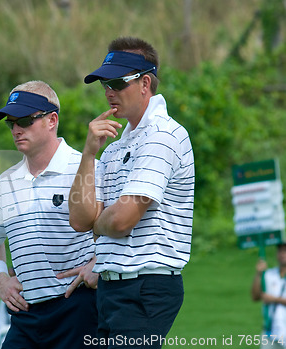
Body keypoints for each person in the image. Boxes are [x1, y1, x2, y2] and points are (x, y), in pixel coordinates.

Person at [69, 36, 195, 348]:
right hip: (112, 289)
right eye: (104, 83)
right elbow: (80, 218)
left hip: (145, 287)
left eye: (117, 82)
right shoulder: (113, 149)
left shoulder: (162, 136)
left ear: (145, 83)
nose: (109, 91)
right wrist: (88, 154)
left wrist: (100, 223)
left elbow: (122, 220)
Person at [0, 80, 99, 349]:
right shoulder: (5, 182)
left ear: (51, 120)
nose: (16, 129)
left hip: (78, 308)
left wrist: (99, 262)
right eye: (12, 122)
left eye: (25, 120)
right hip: (26, 316)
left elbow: (120, 228)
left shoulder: (87, 168)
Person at [251, 243, 286, 348]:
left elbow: (268, 298)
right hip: (270, 330)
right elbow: (255, 296)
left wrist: (274, 299)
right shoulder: (270, 274)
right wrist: (258, 274)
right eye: (280, 251)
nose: (283, 254)